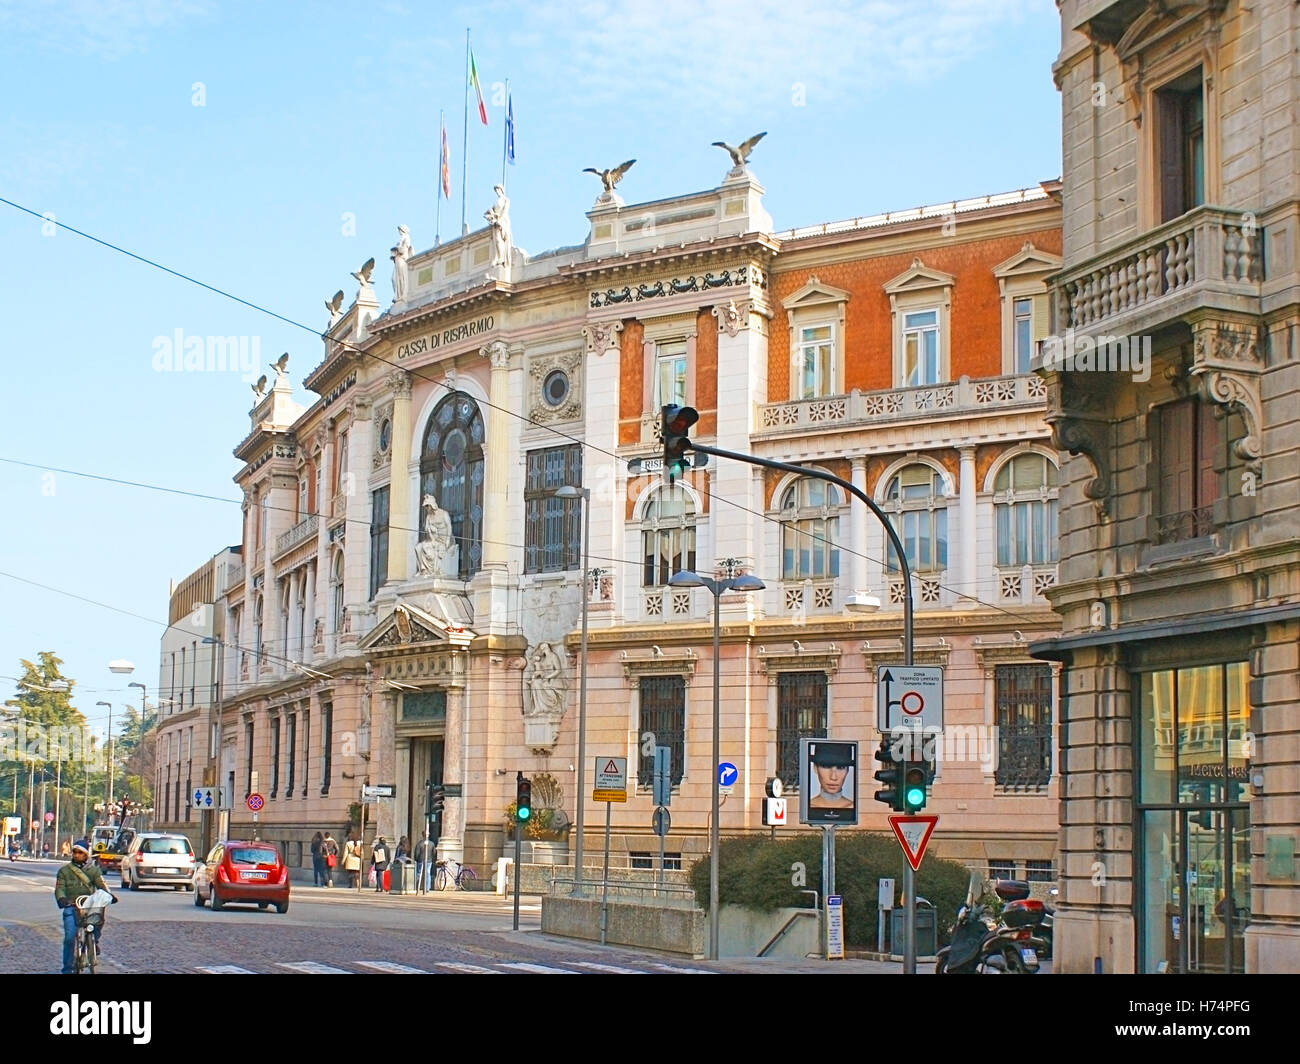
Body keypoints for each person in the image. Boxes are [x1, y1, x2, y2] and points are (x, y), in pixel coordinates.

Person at [54, 842, 116, 974]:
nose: (77, 855)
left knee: (99, 920)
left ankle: (95, 940)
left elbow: (102, 885)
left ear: (86, 855)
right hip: (71, 907)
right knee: (70, 938)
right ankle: (67, 969)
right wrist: (62, 899)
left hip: (90, 907)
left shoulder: (93, 870)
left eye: (80, 852)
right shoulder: (64, 871)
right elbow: (59, 889)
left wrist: (109, 896)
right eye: (75, 852)